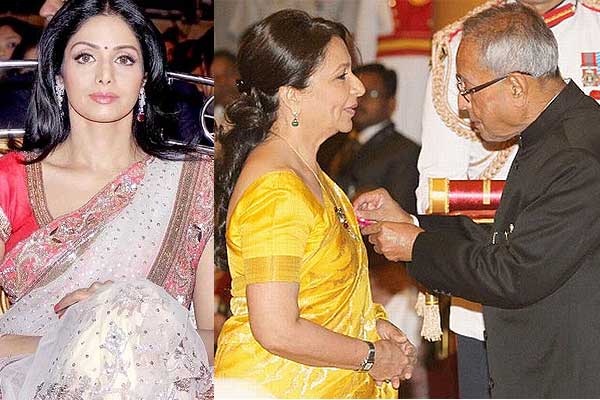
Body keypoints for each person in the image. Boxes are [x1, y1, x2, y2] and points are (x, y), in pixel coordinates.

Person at [355, 3, 600, 398]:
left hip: (564, 375)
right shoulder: (552, 133)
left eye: (468, 88)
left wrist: (415, 246)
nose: (464, 105)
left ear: (516, 86)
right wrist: (414, 225)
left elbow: (514, 273)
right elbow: (510, 240)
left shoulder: (575, 154)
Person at [0, 0, 214, 398]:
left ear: (146, 77)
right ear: (58, 73)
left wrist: (132, 312)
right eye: (84, 57)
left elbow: (216, 337)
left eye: (124, 60)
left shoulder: (193, 180)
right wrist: (88, 336)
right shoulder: (9, 180)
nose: (104, 76)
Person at [214, 9, 416, 398]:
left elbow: (318, 291)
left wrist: (370, 323)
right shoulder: (276, 188)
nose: (357, 88)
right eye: (342, 76)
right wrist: (372, 356)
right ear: (292, 96)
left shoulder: (309, 171)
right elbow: (277, 329)